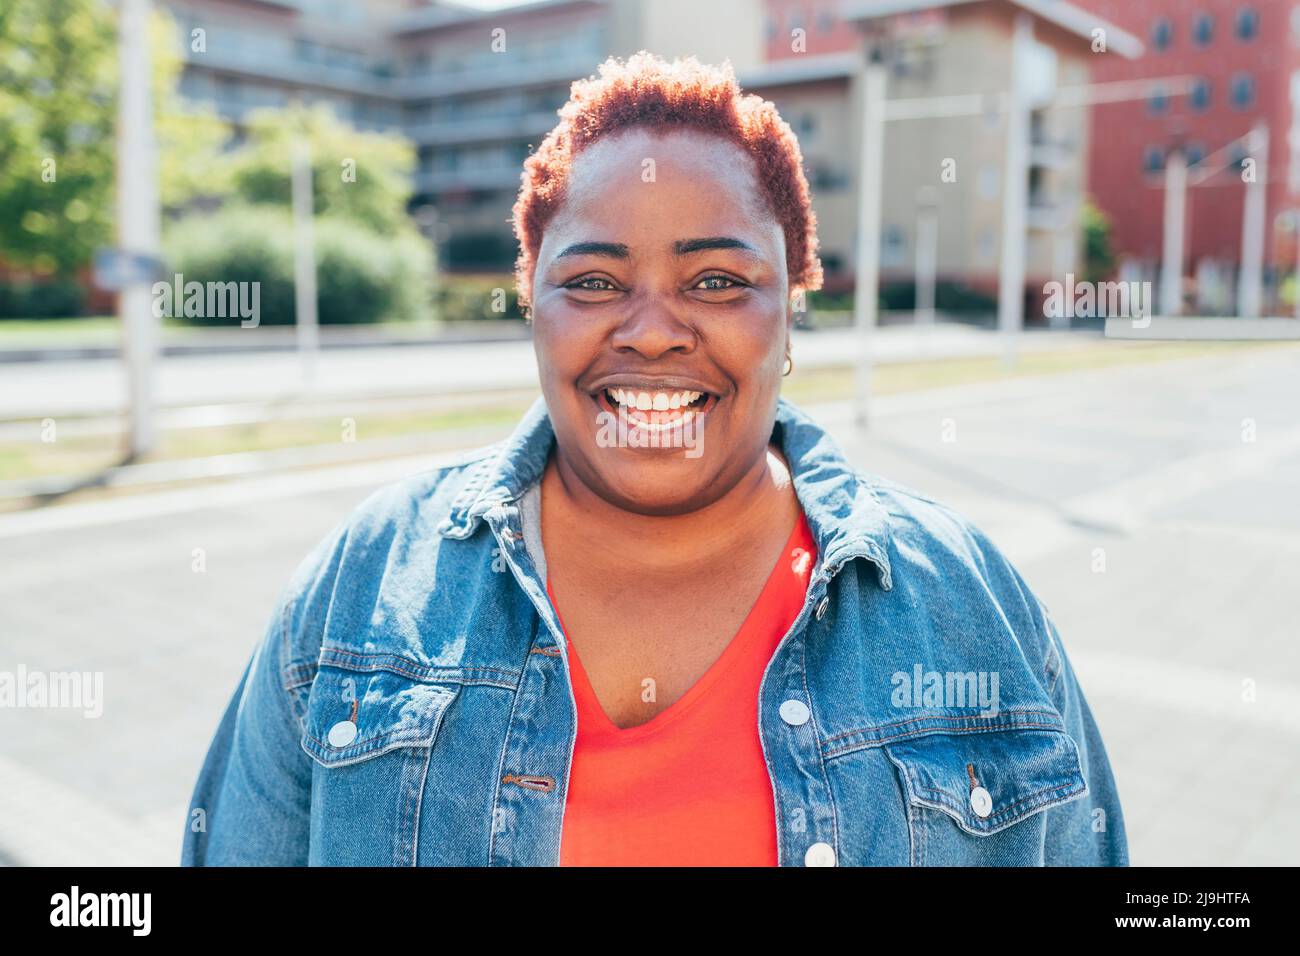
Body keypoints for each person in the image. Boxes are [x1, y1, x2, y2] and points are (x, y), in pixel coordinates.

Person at [182, 52, 1127, 867]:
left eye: (717, 280)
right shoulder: (362, 584)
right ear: (531, 305)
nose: (652, 332)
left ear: (790, 305)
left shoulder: (968, 605)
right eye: (592, 282)